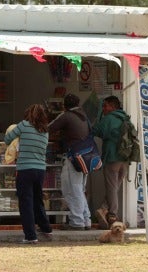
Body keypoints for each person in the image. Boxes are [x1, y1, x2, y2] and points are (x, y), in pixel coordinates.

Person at [4, 104, 53, 244]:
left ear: (28, 115)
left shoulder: (24, 125)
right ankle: (46, 228)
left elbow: (7, 139)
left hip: (25, 169)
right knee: (38, 200)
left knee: (26, 203)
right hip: (40, 170)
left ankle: (30, 236)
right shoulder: (45, 130)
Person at [48, 93, 93, 230]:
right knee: (79, 189)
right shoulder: (84, 116)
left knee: (71, 189)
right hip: (86, 157)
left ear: (64, 105)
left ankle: (77, 222)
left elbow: (49, 128)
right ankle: (86, 219)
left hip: (73, 157)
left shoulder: (67, 115)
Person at [92, 95, 129, 229]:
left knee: (112, 187)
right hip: (125, 159)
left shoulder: (109, 119)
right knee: (115, 187)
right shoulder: (125, 117)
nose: (104, 108)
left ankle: (112, 215)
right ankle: (103, 209)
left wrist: (100, 115)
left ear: (112, 107)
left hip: (112, 157)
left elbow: (95, 130)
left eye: (105, 106)